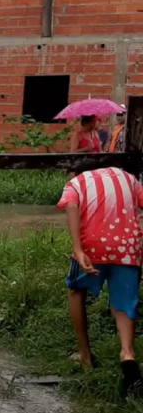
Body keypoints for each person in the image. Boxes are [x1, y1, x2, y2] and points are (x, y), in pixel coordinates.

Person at [57, 165, 143, 395]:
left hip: (92, 246)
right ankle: (127, 354)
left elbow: (71, 206)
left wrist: (78, 249)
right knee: (124, 301)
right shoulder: (128, 177)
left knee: (76, 291)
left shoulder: (76, 183)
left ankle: (85, 355)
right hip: (128, 247)